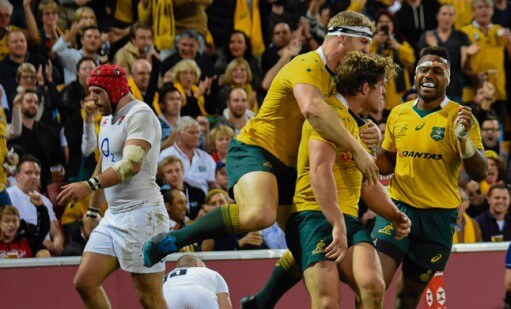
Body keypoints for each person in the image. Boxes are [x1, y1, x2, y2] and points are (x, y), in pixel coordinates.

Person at [143, 12, 380, 272]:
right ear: (343, 39)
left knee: (307, 242)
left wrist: (367, 132)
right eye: (364, 45)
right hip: (257, 149)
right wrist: (356, 148)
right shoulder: (306, 65)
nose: (367, 53)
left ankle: (261, 304)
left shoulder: (342, 78)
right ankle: (172, 240)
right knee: (260, 215)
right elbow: (313, 108)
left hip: (291, 166)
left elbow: (343, 114)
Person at [286, 51, 408, 309]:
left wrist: (394, 214)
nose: (385, 94)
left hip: (348, 217)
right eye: (382, 87)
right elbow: (320, 172)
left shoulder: (354, 124)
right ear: (366, 86)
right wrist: (337, 223)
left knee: (373, 286)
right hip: (314, 215)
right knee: (325, 304)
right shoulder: (325, 116)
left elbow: (367, 182)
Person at [361, 47, 487, 309]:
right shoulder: (399, 113)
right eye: (423, 70)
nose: (429, 76)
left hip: (438, 219)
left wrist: (464, 142)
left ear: (448, 78)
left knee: (407, 299)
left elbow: (480, 173)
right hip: (397, 210)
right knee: (375, 284)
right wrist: (372, 149)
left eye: (437, 71)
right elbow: (388, 162)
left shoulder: (460, 116)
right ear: (414, 74)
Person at [56, 64, 174, 309]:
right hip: (114, 216)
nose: (92, 100)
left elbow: (131, 164)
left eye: (97, 93)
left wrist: (88, 185)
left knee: (149, 297)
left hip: (144, 216)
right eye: (90, 93)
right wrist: (94, 207)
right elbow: (105, 160)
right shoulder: (106, 119)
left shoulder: (142, 114)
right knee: (84, 282)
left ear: (115, 89)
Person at [7, 156, 64, 256]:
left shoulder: (45, 200)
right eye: (28, 173)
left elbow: (55, 230)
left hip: (45, 248)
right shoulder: (8, 196)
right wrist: (39, 241)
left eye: (37, 173)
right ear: (17, 176)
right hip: (22, 245)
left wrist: (58, 241)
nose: (34, 177)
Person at [158, 116, 216, 194]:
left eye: (198, 132)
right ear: (179, 134)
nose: (196, 136)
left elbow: (212, 184)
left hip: (202, 200)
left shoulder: (207, 157)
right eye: (191, 132)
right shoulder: (166, 154)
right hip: (175, 197)